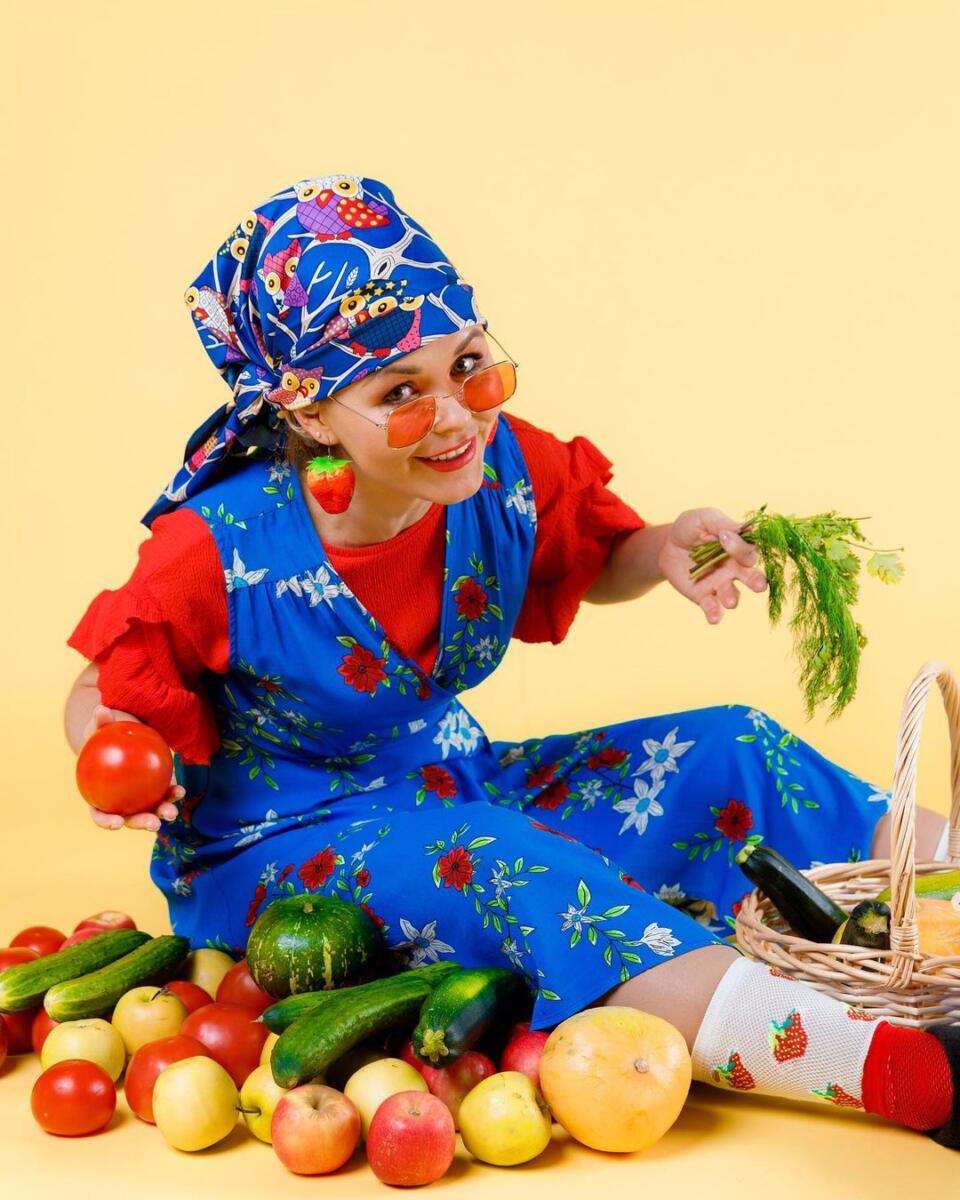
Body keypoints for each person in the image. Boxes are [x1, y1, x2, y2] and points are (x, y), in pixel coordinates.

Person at [64, 175, 957, 1147]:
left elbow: (583, 554)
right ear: (311, 414)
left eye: (470, 367)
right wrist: (109, 742)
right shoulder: (218, 547)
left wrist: (660, 548)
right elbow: (103, 685)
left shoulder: (501, 470)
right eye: (400, 394)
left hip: (460, 784)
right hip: (284, 851)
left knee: (734, 747)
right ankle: (896, 1068)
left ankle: (942, 892)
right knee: (507, 865)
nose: (456, 418)